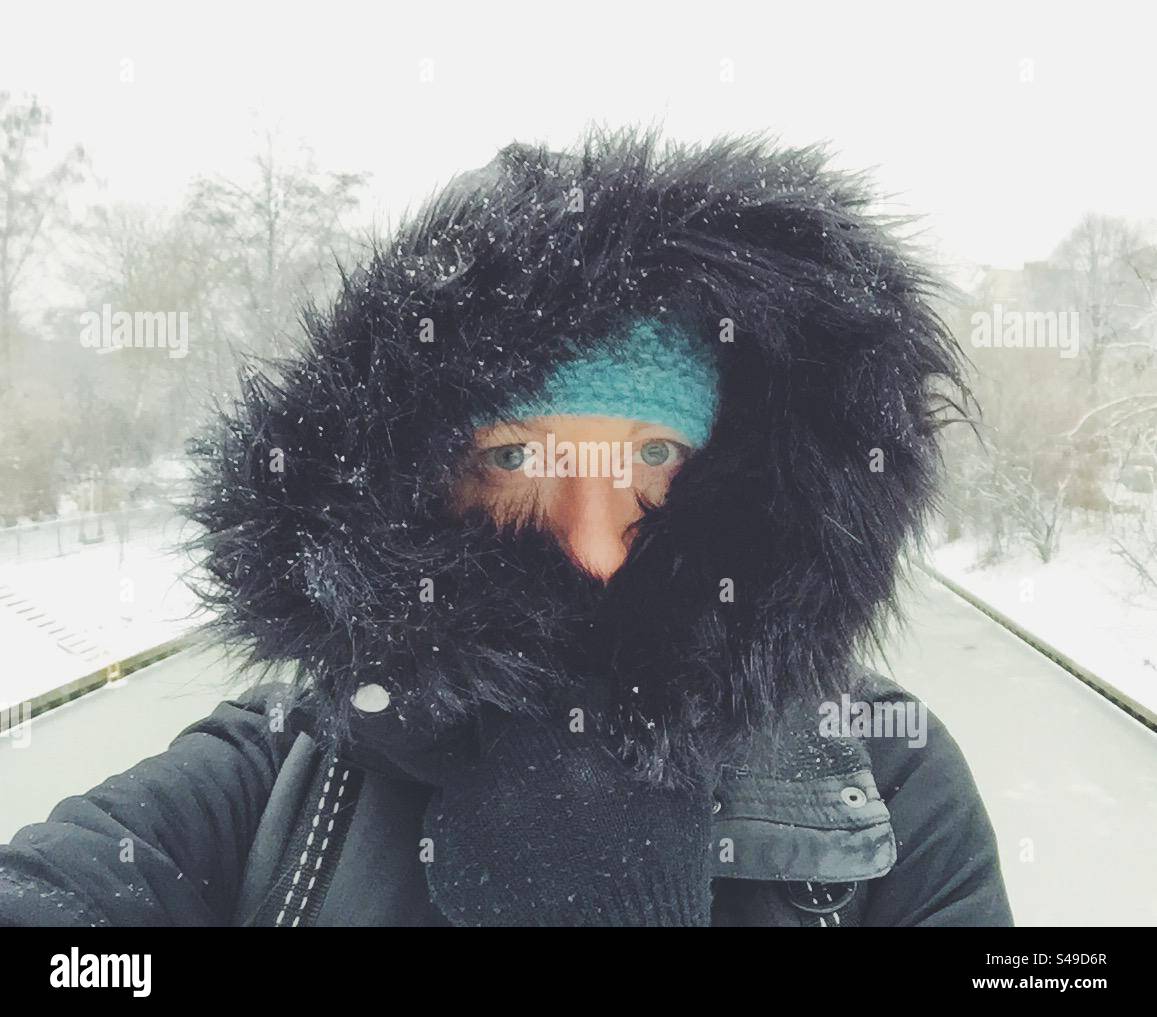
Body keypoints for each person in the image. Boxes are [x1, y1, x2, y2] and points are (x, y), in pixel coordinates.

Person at [0, 128, 1013, 927]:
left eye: (652, 457)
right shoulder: (276, 775)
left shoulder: (885, 784)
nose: (597, 542)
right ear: (416, 483)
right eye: (517, 459)